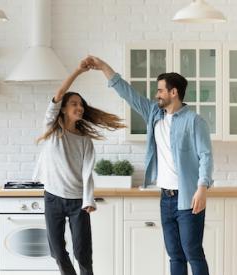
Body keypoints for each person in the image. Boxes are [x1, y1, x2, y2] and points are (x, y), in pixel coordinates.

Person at [85, 55, 214, 275]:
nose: (157, 95)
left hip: (188, 197)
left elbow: (206, 156)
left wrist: (202, 189)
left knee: (193, 252)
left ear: (174, 92)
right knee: (175, 255)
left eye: (160, 90)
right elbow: (127, 93)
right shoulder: (154, 113)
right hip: (166, 198)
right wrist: (103, 67)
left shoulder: (194, 121)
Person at [33, 59, 126, 275]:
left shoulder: (85, 141)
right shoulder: (53, 129)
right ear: (63, 109)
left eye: (81, 104)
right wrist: (77, 71)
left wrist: (88, 199)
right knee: (57, 252)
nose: (79, 107)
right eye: (74, 103)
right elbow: (60, 91)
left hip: (77, 202)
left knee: (83, 253)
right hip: (53, 197)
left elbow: (87, 172)